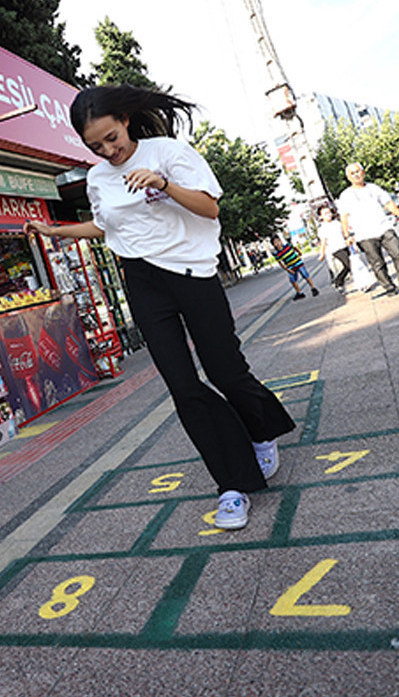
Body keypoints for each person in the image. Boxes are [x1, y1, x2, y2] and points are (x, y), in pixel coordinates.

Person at [24, 84, 295, 531]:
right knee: (183, 385)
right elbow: (107, 227)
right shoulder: (97, 178)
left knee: (226, 371)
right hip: (143, 282)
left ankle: (262, 430)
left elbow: (209, 209)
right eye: (96, 146)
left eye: (112, 138)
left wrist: (164, 185)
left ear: (125, 120)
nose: (108, 150)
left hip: (192, 275)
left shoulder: (168, 152)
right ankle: (231, 484)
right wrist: (56, 233)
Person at [336, 162, 399, 295]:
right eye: (352, 173)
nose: (356, 175)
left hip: (384, 227)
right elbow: (343, 217)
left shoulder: (374, 188)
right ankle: (389, 287)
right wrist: (347, 235)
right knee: (377, 263)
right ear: (348, 177)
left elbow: (389, 204)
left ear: (363, 172)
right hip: (364, 235)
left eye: (358, 171)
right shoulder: (345, 195)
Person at [269, 235, 319, 300]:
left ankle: (313, 288)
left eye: (278, 241)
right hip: (290, 267)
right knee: (292, 280)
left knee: (305, 275)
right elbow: (281, 263)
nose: (278, 243)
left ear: (281, 241)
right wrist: (287, 270)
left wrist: (299, 252)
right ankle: (300, 293)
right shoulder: (277, 254)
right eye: (275, 243)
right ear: (273, 245)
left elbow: (294, 248)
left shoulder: (288, 246)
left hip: (298, 262)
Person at [314, 204, 351, 292]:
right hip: (335, 249)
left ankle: (339, 281)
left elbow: (344, 233)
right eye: (326, 213)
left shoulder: (337, 223)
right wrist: (322, 254)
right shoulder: (322, 228)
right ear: (321, 216)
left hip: (344, 246)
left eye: (329, 212)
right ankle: (339, 281)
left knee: (348, 266)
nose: (329, 214)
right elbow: (323, 242)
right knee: (348, 264)